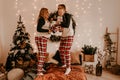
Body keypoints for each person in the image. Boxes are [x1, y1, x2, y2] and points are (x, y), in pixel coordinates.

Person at [50, 4, 76, 75]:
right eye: (58, 10)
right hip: (64, 35)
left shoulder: (68, 15)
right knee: (61, 50)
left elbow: (66, 25)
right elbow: (62, 28)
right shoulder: (59, 17)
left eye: (61, 10)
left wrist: (58, 24)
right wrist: (56, 27)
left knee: (66, 51)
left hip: (69, 35)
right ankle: (64, 63)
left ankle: (68, 68)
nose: (59, 11)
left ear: (64, 10)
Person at [35, 8, 50, 76]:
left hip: (40, 38)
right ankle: (39, 71)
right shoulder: (41, 19)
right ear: (43, 13)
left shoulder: (44, 20)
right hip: (41, 38)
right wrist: (47, 31)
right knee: (42, 54)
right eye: (46, 12)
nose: (48, 13)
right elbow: (38, 29)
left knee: (41, 54)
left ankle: (40, 68)